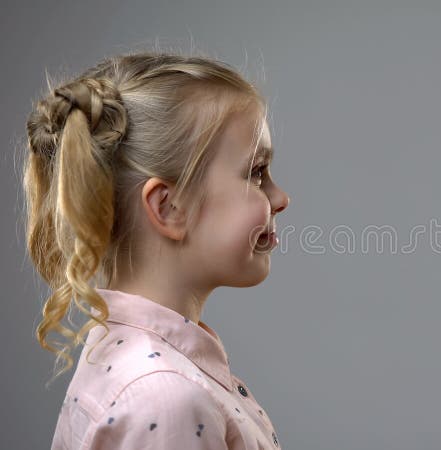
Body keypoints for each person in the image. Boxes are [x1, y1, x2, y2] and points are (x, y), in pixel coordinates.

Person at [24, 53, 290, 449]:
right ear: (169, 207)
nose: (280, 198)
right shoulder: (167, 399)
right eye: (255, 172)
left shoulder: (129, 357)